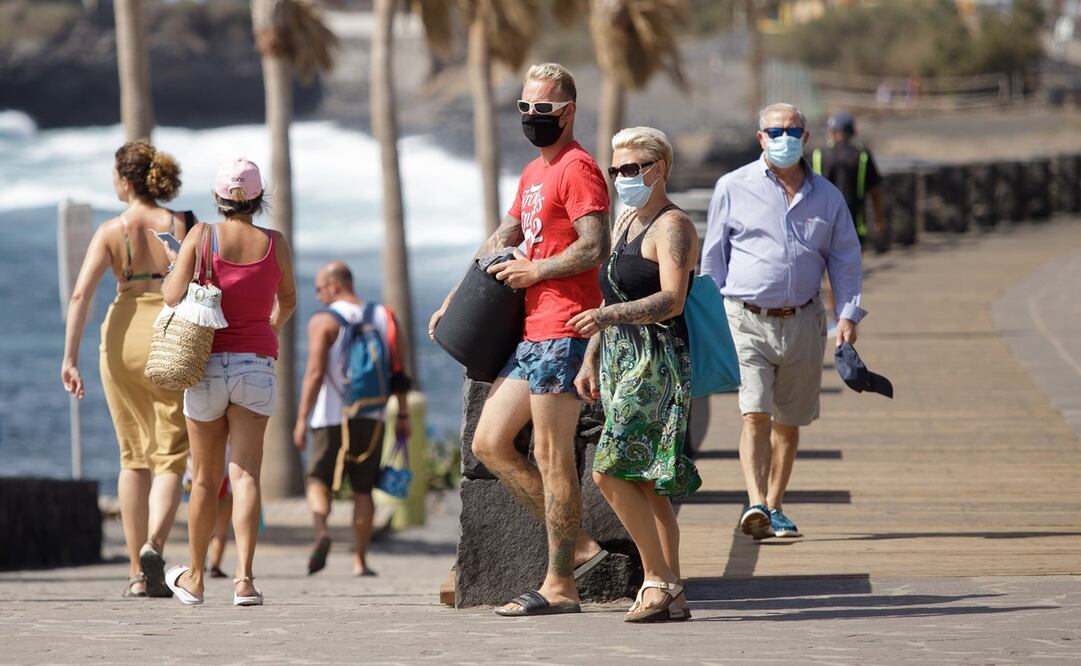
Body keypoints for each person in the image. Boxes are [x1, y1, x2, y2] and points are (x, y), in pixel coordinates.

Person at [429, 62, 611, 617]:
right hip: (531, 333)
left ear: (568, 112)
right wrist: (455, 297)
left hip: (564, 326)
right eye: (525, 108)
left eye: (543, 109)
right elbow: (506, 235)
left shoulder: (579, 169)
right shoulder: (535, 173)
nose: (532, 118)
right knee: (489, 442)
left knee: (553, 455)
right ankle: (579, 548)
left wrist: (539, 271)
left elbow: (594, 246)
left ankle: (560, 585)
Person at [702, 103, 865, 541]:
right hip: (745, 316)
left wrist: (847, 314)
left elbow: (845, 259)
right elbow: (713, 261)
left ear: (807, 138)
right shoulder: (732, 187)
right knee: (754, 412)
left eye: (792, 130)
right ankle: (755, 502)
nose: (784, 138)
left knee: (788, 421)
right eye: (775, 131)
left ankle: (775, 505)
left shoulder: (828, 197)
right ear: (760, 138)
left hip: (805, 319)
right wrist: (708, 320)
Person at [569, 126, 700, 623]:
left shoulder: (673, 227)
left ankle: (656, 579)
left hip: (658, 361)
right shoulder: (625, 221)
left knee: (608, 470)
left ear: (658, 169)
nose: (621, 177)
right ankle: (675, 590)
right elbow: (612, 296)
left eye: (631, 169)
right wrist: (591, 356)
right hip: (621, 359)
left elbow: (673, 299)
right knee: (646, 483)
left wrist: (605, 320)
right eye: (615, 169)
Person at [162, 158, 297, 606]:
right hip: (255, 364)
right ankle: (244, 581)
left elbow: (170, 295)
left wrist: (174, 262)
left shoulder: (201, 236)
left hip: (206, 364)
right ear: (259, 198)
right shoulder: (275, 243)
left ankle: (196, 578)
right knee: (246, 476)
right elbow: (289, 299)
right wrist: (267, 330)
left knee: (204, 479)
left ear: (218, 197)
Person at [61, 141, 191, 599]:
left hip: (120, 339)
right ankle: (156, 543)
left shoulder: (111, 230)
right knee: (171, 455)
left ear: (124, 180)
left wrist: (69, 357)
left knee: (132, 456)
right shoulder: (182, 224)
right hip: (170, 332)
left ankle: (137, 571)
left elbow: (80, 296)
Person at [294, 261, 412, 577]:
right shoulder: (384, 317)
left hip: (330, 417)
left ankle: (322, 532)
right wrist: (402, 414)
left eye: (320, 289)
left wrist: (302, 418)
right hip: (371, 417)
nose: (318, 297)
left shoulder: (323, 320)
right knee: (364, 489)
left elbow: (315, 374)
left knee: (318, 480)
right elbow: (400, 372)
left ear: (334, 285)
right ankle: (359, 561)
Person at [811, 111, 885, 250]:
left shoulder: (818, 155)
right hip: (854, 226)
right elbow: (875, 192)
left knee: (823, 269)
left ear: (831, 132)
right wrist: (878, 220)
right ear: (853, 131)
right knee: (849, 270)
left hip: (822, 227)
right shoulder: (862, 155)